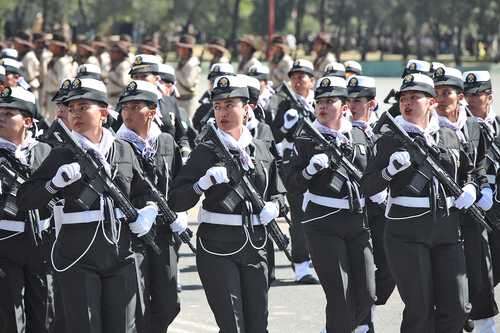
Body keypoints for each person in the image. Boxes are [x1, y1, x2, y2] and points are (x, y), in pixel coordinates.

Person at [17, 77, 158, 333]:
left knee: (122, 327)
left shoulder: (123, 150)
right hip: (77, 255)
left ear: (103, 112)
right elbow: (26, 199)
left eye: (83, 107)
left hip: (121, 254)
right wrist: (53, 184)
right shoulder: (60, 154)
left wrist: (148, 212)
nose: (75, 114)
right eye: (71, 109)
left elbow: (146, 193)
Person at [169, 74, 285, 332]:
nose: (223, 111)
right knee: (232, 326)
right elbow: (176, 199)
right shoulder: (205, 151)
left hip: (256, 245)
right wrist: (201, 185)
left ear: (247, 109)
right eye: (218, 105)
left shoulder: (260, 149)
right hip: (217, 247)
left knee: (257, 325)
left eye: (230, 104)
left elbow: (278, 192)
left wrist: (275, 207)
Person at [361, 73, 471, 332]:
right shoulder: (389, 138)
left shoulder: (449, 134)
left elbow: (469, 170)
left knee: (457, 306)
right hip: (405, 232)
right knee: (420, 309)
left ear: (431, 102)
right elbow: (367, 186)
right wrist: (389, 172)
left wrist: (472, 187)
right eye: (403, 99)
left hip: (446, 230)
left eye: (414, 97)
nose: (407, 103)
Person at [285, 76, 376, 333]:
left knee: (368, 292)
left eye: (330, 101)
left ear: (345, 107)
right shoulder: (306, 138)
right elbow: (292, 183)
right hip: (322, 221)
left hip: (358, 221)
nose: (322, 107)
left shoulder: (359, 135)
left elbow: (372, 172)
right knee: (340, 294)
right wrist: (309, 171)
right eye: (319, 102)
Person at [116, 80, 186, 332]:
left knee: (169, 302)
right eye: (125, 107)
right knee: (138, 303)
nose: (128, 113)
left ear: (152, 112)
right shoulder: (116, 146)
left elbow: (179, 181)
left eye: (136, 107)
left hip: (164, 232)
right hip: (132, 234)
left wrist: (181, 213)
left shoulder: (165, 142)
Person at [0, 87, 52, 333]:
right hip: (5, 241)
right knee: (10, 316)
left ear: (28, 121)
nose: (1, 117)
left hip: (42, 242)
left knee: (43, 312)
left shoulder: (45, 151)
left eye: (9, 113)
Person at [347, 75, 395, 328]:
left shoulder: (385, 130)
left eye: (358, 100)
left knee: (390, 268)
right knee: (357, 271)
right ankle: (361, 319)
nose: (352, 105)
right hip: (353, 210)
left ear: (372, 104)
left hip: (380, 209)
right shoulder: (339, 131)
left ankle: (367, 308)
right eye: (349, 100)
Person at [271, 59, 319, 284]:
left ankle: (317, 259)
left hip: (320, 164)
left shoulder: (321, 102)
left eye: (303, 76)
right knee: (299, 217)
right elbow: (273, 137)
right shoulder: (283, 104)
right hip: (294, 164)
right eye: (294, 77)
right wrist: (284, 126)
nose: (298, 81)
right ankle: (300, 264)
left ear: (312, 80)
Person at [462, 70, 500, 332]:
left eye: (479, 94)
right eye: (469, 95)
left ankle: (467, 306)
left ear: (490, 96)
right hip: (473, 206)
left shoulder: (498, 125)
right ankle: (480, 317)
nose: (473, 100)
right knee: (481, 265)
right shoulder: (460, 127)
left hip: (497, 206)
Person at [175, 35, 201, 118]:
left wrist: (178, 72)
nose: (179, 50)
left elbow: (188, 83)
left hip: (188, 100)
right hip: (179, 99)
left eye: (181, 48)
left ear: (187, 49)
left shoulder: (192, 64)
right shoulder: (183, 61)